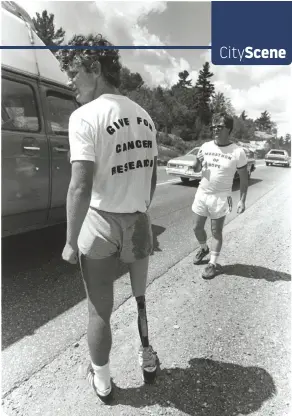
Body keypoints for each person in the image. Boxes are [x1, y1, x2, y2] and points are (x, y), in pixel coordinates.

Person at [58, 34, 158, 402]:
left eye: (74, 72)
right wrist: (144, 217)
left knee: (100, 307)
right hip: (138, 219)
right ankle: (147, 356)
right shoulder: (145, 117)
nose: (71, 81)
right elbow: (150, 175)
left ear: (95, 68)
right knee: (141, 298)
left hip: (100, 223)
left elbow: (80, 187)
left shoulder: (84, 116)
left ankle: (102, 380)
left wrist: (70, 241)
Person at [192, 114, 249, 279]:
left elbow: (244, 179)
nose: (215, 129)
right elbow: (196, 169)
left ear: (229, 129)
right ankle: (204, 248)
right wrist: (197, 161)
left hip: (221, 197)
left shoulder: (238, 152)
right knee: (196, 227)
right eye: (213, 126)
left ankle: (212, 264)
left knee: (216, 232)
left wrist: (242, 201)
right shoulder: (205, 146)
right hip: (202, 193)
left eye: (220, 127)